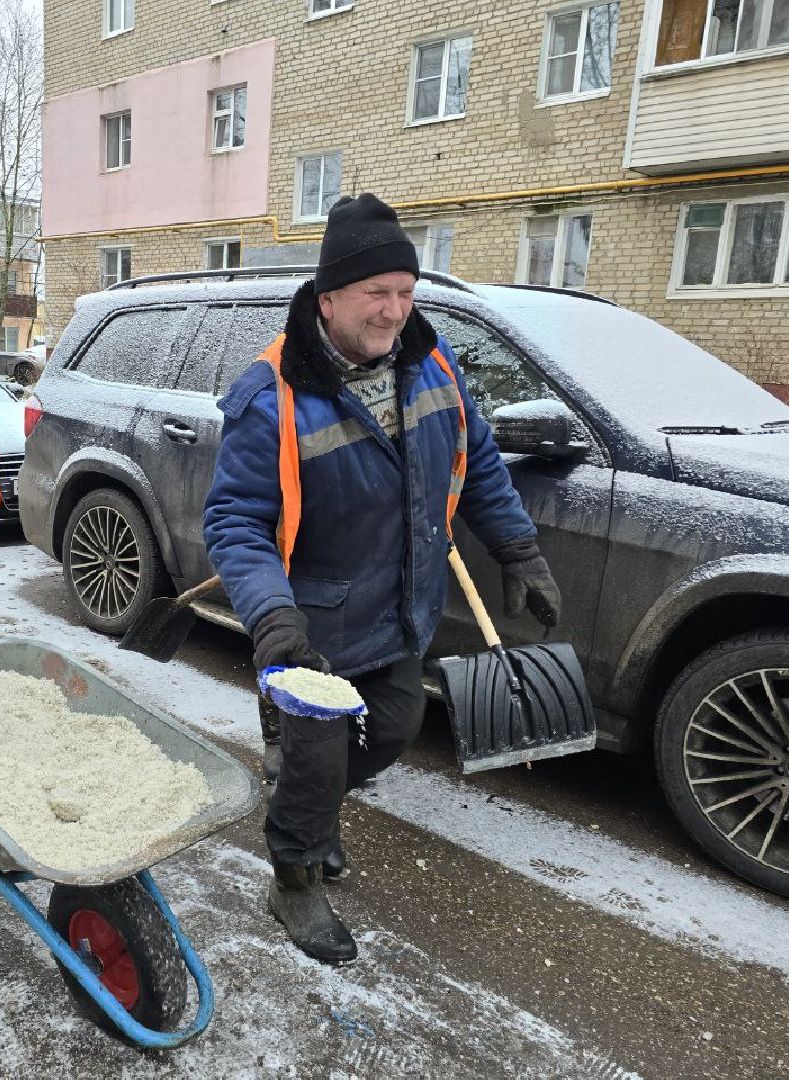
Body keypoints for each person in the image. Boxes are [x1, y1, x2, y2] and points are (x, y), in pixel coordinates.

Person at [202, 193, 561, 963]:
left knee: (395, 727)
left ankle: (305, 789)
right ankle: (293, 879)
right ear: (329, 298)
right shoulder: (271, 397)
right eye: (377, 294)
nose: (395, 310)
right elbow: (235, 524)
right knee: (316, 760)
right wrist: (272, 619)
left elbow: (480, 459)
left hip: (401, 605)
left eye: (405, 292)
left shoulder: (432, 362)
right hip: (315, 624)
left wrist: (519, 551)